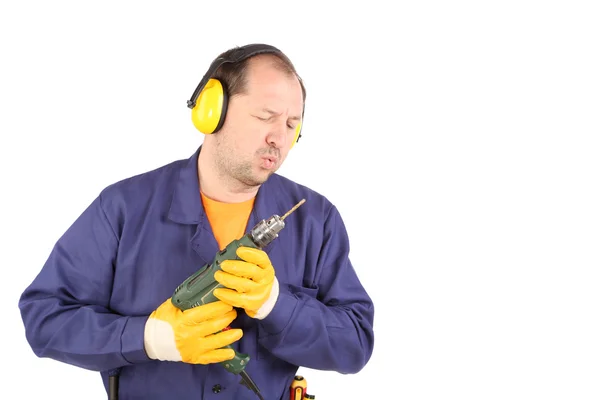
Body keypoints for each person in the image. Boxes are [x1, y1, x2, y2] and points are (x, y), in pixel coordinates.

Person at [18, 43, 375, 399]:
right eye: (265, 116)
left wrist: (275, 304)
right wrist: (152, 339)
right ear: (211, 110)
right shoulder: (123, 208)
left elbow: (355, 343)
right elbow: (45, 318)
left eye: (291, 124)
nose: (279, 138)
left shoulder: (316, 219)